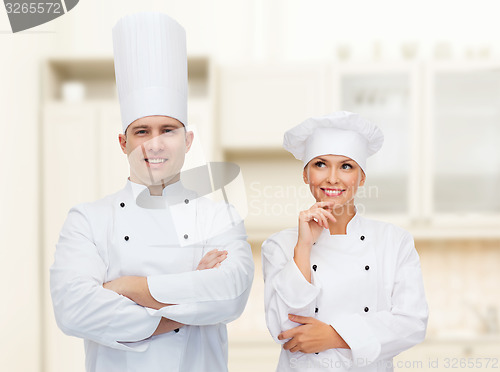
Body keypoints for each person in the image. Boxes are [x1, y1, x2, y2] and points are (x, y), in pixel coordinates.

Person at [50, 12, 254, 372]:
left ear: (188, 140)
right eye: (142, 131)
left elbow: (231, 295)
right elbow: (73, 309)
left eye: (168, 130)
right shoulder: (89, 219)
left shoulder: (221, 217)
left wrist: (125, 286)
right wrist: (189, 301)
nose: (154, 145)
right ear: (122, 142)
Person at [262, 111, 428, 372]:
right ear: (305, 175)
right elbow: (285, 330)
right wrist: (303, 247)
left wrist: (335, 336)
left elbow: (412, 323)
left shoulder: (394, 241)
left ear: (361, 178)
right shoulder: (280, 245)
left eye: (346, 166)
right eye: (320, 164)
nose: (332, 178)